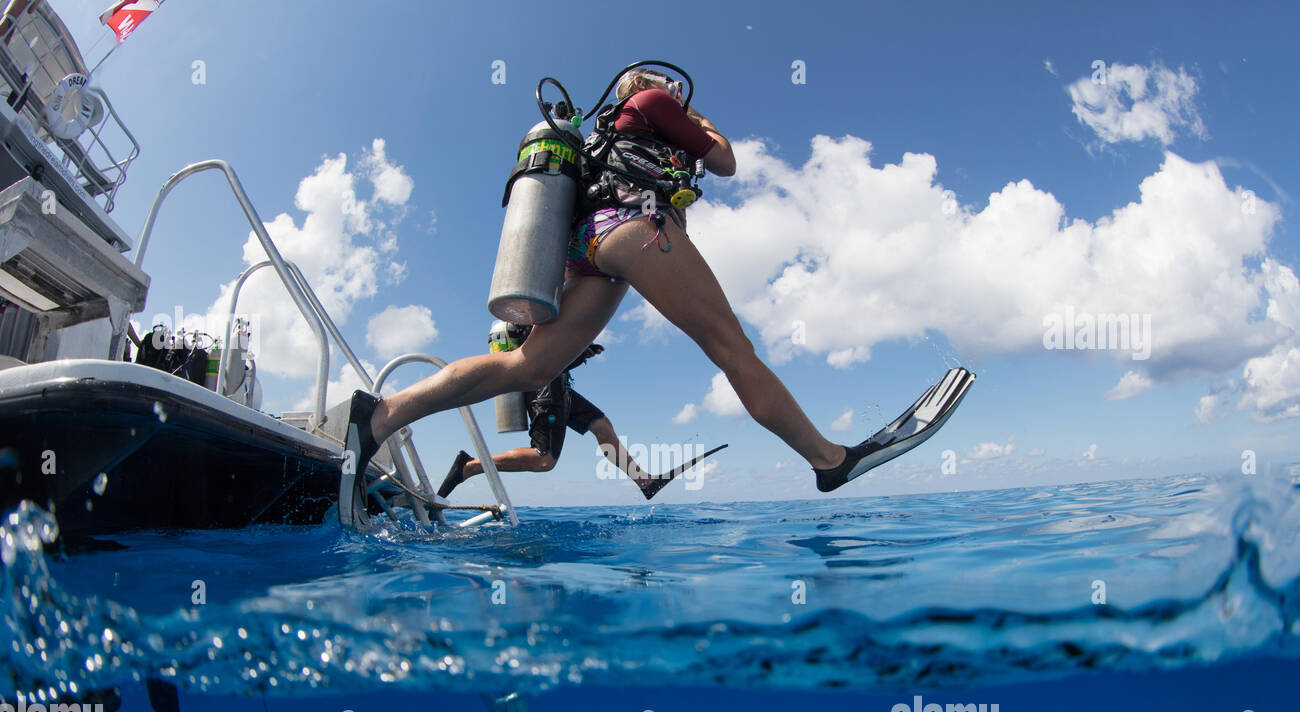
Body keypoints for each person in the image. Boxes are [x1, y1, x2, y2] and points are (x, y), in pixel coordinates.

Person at [340, 68, 973, 527]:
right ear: (638, 88)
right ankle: (829, 460)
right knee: (731, 346)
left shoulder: (598, 141)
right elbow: (725, 162)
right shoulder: (650, 103)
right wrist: (701, 123)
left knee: (528, 366)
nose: (671, 91)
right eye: (660, 85)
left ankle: (380, 417)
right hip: (635, 224)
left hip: (591, 248)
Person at [437, 326, 726, 502]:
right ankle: (470, 466)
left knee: (601, 425)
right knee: (543, 460)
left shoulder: (551, 309)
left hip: (558, 384)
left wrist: (581, 352)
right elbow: (542, 353)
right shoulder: (538, 314)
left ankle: (643, 481)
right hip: (545, 387)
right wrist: (581, 353)